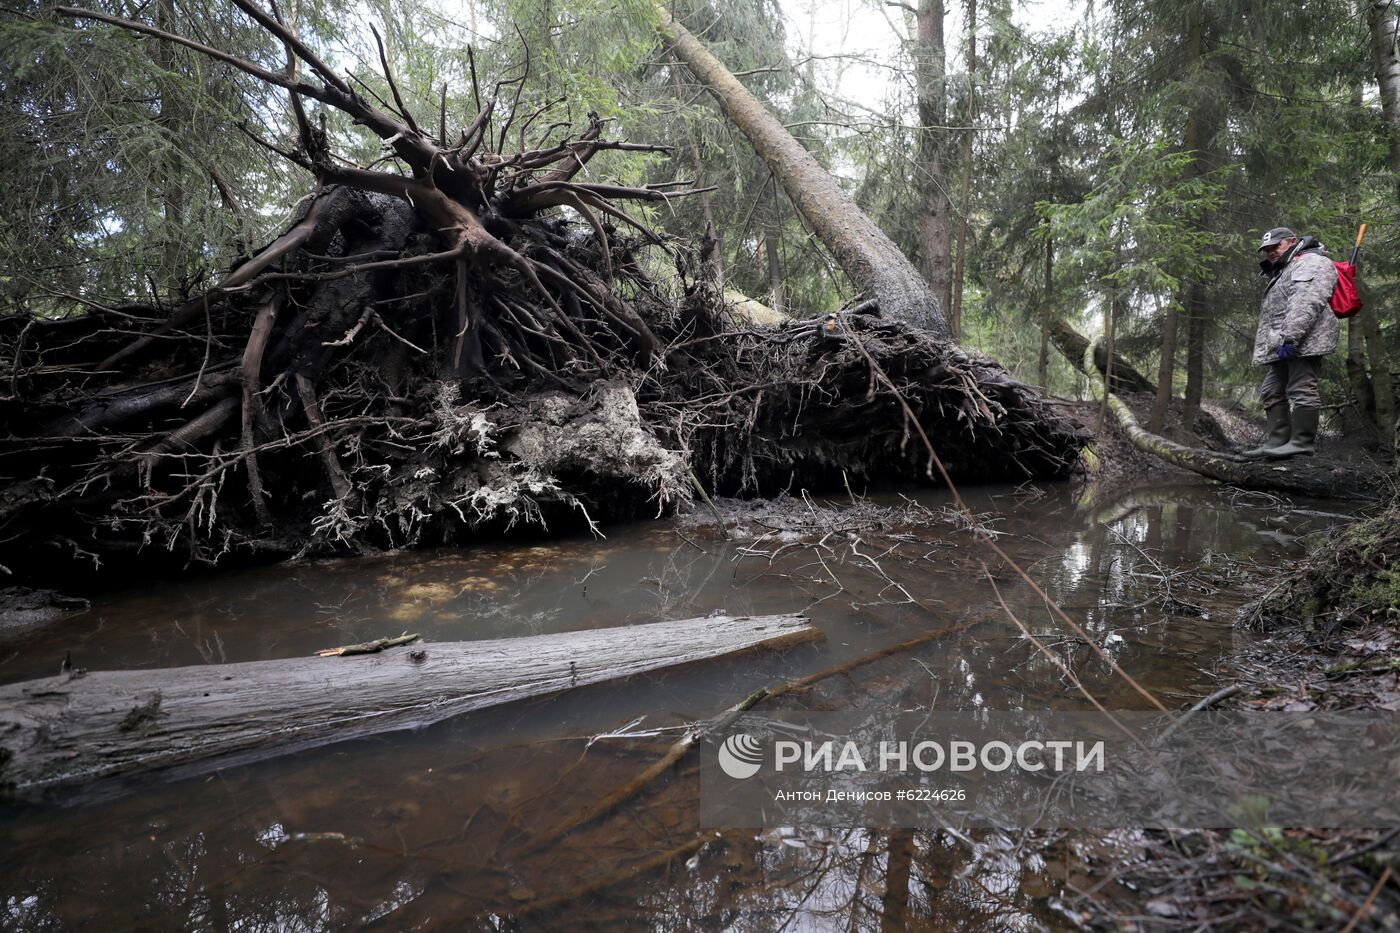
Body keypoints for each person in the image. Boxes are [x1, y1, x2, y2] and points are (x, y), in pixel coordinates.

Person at [1241, 226, 1338, 458]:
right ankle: (1276, 444)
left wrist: (1291, 337)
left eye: (1276, 246)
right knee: (1271, 390)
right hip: (1285, 343)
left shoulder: (1311, 261)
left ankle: (1302, 443)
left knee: (1301, 388)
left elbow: (1306, 302)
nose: (1271, 252)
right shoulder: (1286, 267)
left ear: (1292, 241)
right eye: (1267, 249)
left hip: (1303, 341)